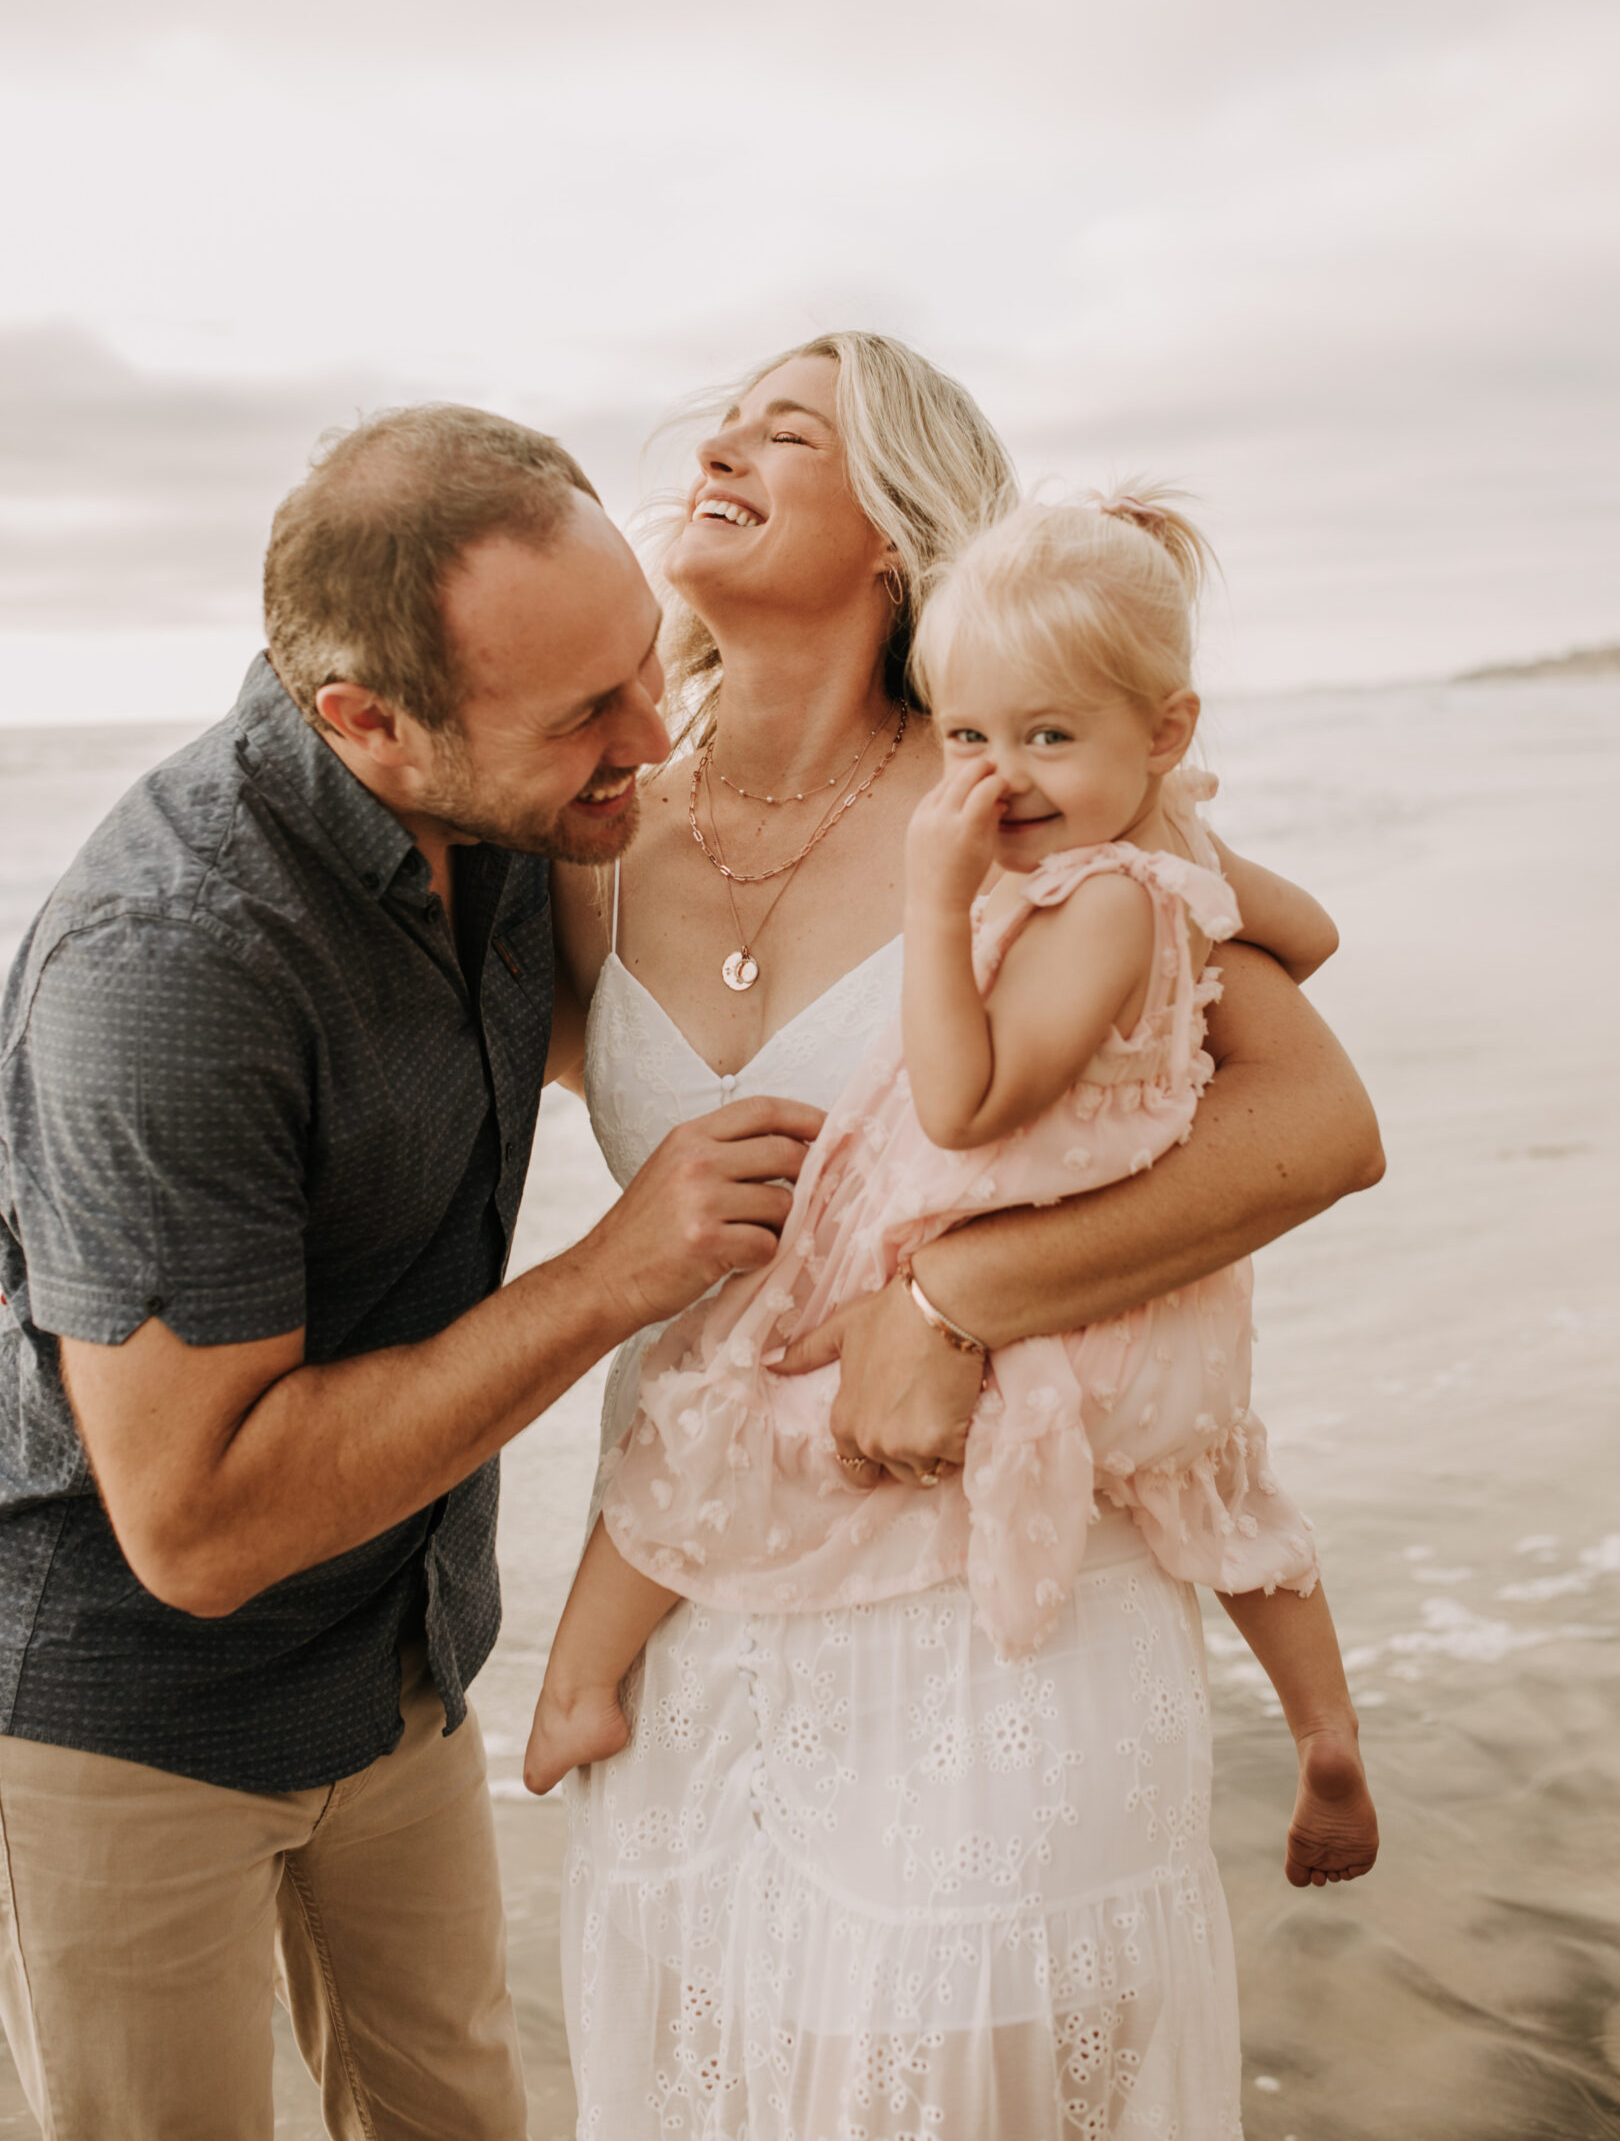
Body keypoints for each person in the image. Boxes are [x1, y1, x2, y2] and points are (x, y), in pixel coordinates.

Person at [549, 334, 1386, 2139]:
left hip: (998, 1603)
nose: (720, 442)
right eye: (722, 420)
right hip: (700, 1592)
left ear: (895, 536)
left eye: (787, 430)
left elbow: (1318, 1122)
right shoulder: (592, 837)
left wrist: (955, 1286)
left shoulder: (1021, 792)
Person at [0, 405, 821, 2141]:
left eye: (642, 670)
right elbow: (196, 1529)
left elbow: (668, 1042)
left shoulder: (517, 813)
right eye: (587, 717)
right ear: (361, 719)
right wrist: (612, 1276)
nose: (648, 737)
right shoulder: (171, 968)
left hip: (399, 1653)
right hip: (122, 1715)